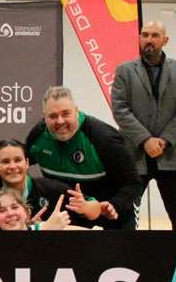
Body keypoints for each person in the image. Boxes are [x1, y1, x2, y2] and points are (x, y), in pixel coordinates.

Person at [111, 20, 176, 282]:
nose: (149, 39)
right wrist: (145, 140)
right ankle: (125, 271)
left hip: (173, 157)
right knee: (125, 214)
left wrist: (164, 140)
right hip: (135, 156)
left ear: (165, 40)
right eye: (145, 35)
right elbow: (120, 109)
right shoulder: (125, 71)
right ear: (139, 39)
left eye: (155, 35)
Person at [25, 86, 140, 229]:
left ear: (76, 111)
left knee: (123, 250)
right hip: (69, 212)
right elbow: (17, 166)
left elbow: (133, 183)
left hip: (110, 209)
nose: (60, 121)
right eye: (53, 116)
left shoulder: (104, 138)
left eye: (66, 114)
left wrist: (114, 205)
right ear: (45, 117)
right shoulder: (38, 136)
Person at [0, 139, 101, 225]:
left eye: (18, 160)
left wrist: (85, 207)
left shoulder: (52, 189)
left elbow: (96, 210)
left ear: (27, 163)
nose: (12, 166)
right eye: (5, 162)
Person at [0, 188, 72, 231]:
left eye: (14, 207)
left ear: (28, 213)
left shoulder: (42, 227)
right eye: (2, 210)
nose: (10, 213)